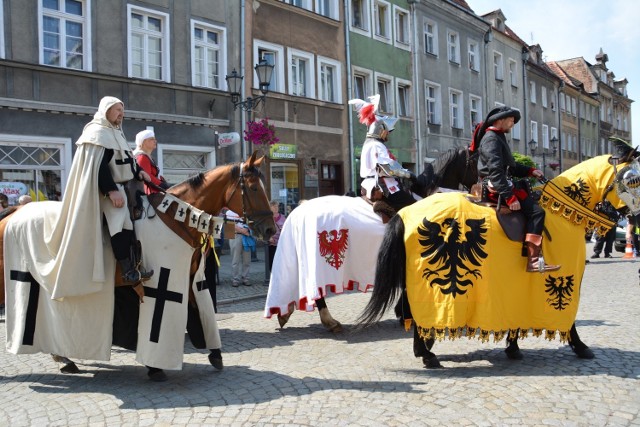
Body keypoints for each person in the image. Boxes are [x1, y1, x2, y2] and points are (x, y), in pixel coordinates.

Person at [62, 96, 153, 286]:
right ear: (106, 110)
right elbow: (99, 167)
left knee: (132, 225)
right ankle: (127, 271)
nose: (121, 114)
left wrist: (139, 171)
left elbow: (126, 159)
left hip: (124, 189)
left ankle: (136, 266)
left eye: (122, 110)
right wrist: (111, 191)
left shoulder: (116, 132)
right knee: (119, 223)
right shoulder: (96, 133)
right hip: (105, 192)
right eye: (117, 110)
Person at [474, 106, 560, 273]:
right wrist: (510, 198)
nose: (513, 124)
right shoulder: (492, 139)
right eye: (511, 120)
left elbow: (510, 167)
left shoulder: (497, 137)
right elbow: (496, 171)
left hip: (502, 181)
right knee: (537, 212)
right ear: (500, 120)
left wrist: (530, 171)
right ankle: (533, 261)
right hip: (497, 185)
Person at [349, 94, 415, 219]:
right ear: (381, 130)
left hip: (370, 183)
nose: (388, 135)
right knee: (410, 204)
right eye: (387, 132)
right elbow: (388, 169)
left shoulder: (370, 144)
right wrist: (409, 174)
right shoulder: (376, 145)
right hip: (380, 185)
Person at [133, 129, 170, 195]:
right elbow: (147, 175)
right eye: (151, 139)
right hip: (146, 193)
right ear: (143, 142)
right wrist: (161, 184)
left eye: (154, 139)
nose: (155, 141)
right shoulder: (141, 156)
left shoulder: (147, 156)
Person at [226, 209, 253, 287]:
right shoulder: (229, 212)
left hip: (246, 236)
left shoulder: (246, 210)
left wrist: (247, 229)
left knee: (247, 259)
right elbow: (230, 224)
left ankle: (246, 278)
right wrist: (242, 231)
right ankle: (235, 279)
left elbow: (251, 222)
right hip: (235, 236)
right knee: (235, 259)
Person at [267, 200, 286, 276]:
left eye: (277, 206)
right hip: (271, 243)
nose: (276, 208)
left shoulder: (283, 217)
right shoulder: (267, 218)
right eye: (274, 206)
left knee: (280, 261)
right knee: (271, 260)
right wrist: (269, 237)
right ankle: (272, 275)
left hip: (281, 243)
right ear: (270, 208)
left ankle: (280, 275)